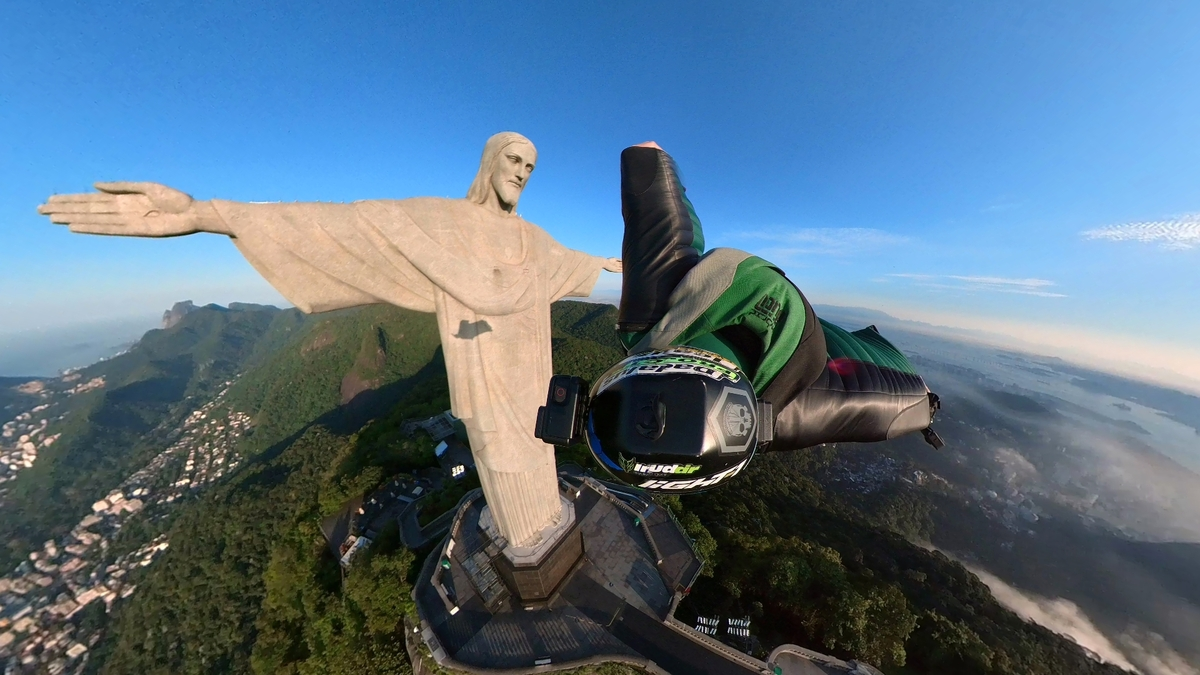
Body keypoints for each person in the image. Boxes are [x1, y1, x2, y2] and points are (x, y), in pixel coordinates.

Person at [574, 142, 942, 492]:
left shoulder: (653, 312)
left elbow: (647, 172)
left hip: (802, 353)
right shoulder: (654, 313)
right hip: (826, 367)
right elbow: (647, 166)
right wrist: (924, 405)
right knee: (895, 398)